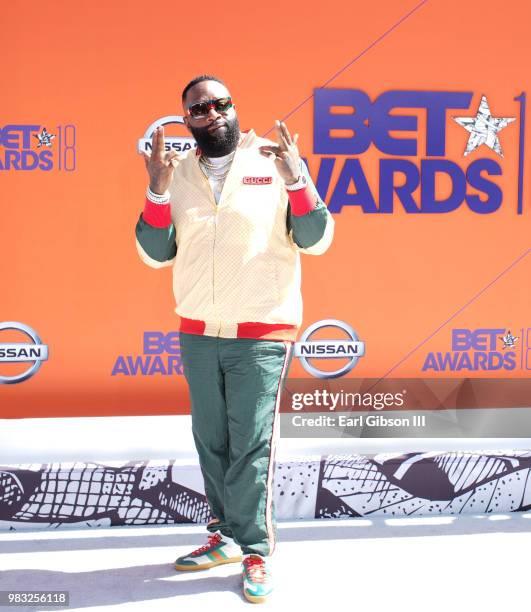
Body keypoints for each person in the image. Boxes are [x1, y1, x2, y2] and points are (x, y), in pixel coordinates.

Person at [135, 74, 334, 603]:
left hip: (261, 334)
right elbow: (155, 253)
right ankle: (223, 536)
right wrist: (156, 187)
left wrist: (298, 179)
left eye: (220, 104)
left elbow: (315, 239)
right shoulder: (176, 176)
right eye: (199, 110)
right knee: (212, 441)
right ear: (188, 122)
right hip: (200, 333)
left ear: (234, 108)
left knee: (250, 448)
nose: (212, 114)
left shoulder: (272, 161)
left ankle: (256, 551)